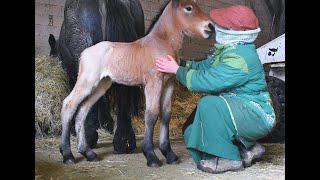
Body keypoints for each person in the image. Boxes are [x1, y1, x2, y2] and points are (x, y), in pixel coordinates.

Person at [155, 5, 276, 174]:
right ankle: (247, 149)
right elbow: (204, 66)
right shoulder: (230, 50)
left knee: (209, 105)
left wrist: (176, 71)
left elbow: (209, 80)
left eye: (222, 26)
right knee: (191, 127)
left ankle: (229, 159)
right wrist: (180, 63)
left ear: (232, 31)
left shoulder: (240, 58)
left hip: (256, 114)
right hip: (239, 109)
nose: (217, 28)